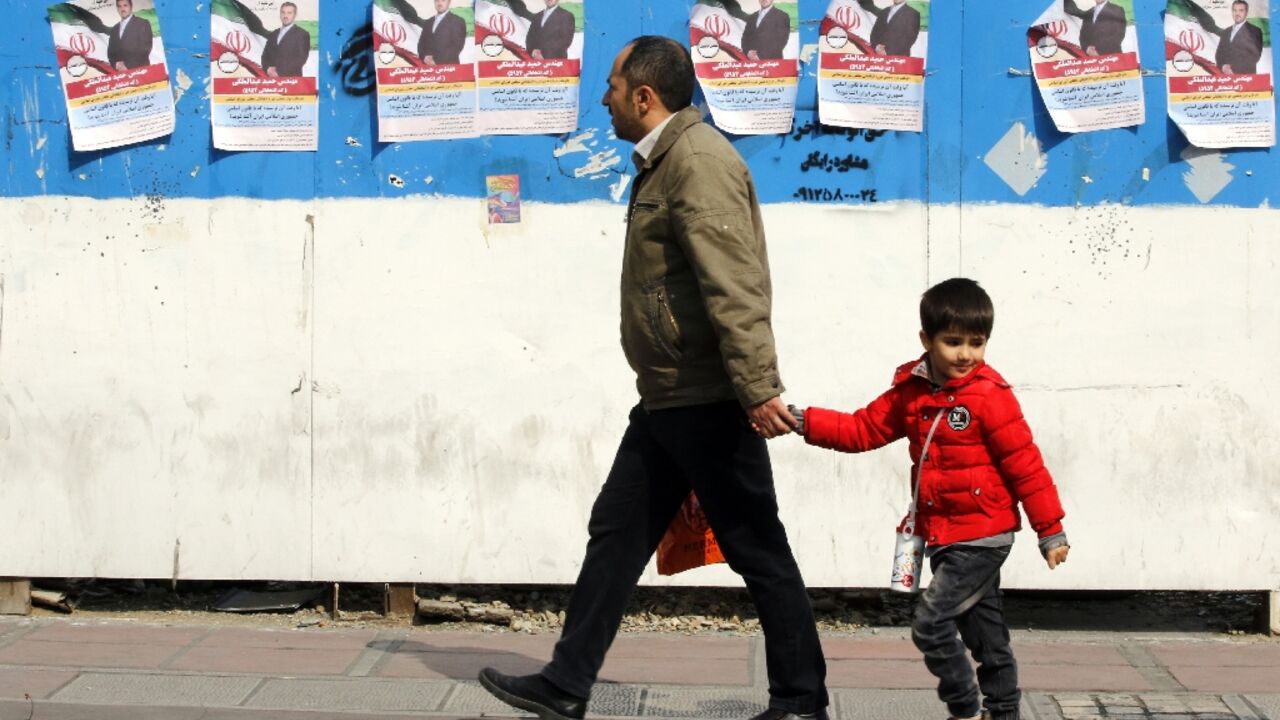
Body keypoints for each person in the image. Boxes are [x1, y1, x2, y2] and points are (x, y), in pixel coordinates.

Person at [477, 35, 829, 720]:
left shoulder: (696, 162)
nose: (602, 97)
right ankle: (566, 682)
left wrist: (757, 386)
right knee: (617, 531)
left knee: (758, 547)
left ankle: (801, 700)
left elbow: (735, 283)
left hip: (705, 396)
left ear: (645, 96)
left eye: (611, 85)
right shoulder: (666, 160)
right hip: (668, 394)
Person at [788, 278, 1069, 720]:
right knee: (986, 637)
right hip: (940, 534)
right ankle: (1005, 711)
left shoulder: (990, 397)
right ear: (927, 340)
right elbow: (863, 429)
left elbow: (1025, 464)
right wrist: (804, 421)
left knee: (931, 623)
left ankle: (963, 708)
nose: (965, 355)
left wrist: (1050, 530)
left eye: (977, 344)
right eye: (953, 342)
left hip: (983, 535)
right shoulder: (911, 393)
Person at [1201, 0, 1264, 75]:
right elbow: (1219, 54)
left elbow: (1254, 56)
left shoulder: (1254, 31)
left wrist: (1232, 69)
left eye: (1241, 10)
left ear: (1246, 13)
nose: (1237, 13)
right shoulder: (1226, 32)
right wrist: (1223, 67)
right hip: (1225, 76)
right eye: (1235, 10)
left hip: (1246, 76)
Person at [262, 2, 311, 77]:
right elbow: (265, 56)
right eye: (283, 12)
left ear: (295, 15)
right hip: (271, 81)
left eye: (289, 13)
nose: (285, 16)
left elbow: (301, 58)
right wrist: (268, 69)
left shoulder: (302, 34)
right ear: (280, 14)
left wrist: (278, 72)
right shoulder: (273, 34)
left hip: (292, 81)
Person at [107, 0, 153, 72]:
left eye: (125, 5)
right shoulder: (114, 29)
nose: (122, 9)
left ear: (131, 7)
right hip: (121, 75)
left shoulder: (142, 23)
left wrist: (128, 65)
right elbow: (110, 53)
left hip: (141, 72)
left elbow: (145, 49)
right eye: (119, 6)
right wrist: (116, 64)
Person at [417, 0, 467, 65]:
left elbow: (457, 46)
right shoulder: (428, 22)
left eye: (443, 0)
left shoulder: (457, 21)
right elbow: (421, 44)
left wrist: (436, 61)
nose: (439, 3)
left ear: (449, 2)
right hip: (428, 68)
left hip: (449, 67)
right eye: (437, 0)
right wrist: (425, 57)